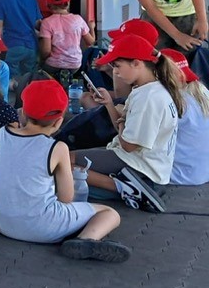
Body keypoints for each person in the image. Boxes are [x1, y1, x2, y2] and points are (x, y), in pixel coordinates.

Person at [0, 80, 131, 263]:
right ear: (59, 121)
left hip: (3, 224)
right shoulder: (57, 148)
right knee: (109, 213)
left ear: (23, 112)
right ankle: (85, 239)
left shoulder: (2, 133)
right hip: (43, 228)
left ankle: (74, 232)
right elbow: (66, 197)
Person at [75, 34, 184, 212]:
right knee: (70, 166)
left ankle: (126, 187)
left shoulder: (148, 97)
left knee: (65, 162)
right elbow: (124, 132)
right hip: (145, 164)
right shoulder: (148, 88)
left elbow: (128, 145)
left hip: (140, 166)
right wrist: (109, 104)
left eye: (117, 66)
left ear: (136, 63)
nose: (115, 72)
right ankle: (125, 186)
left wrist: (122, 122)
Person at [166, 49, 209, 186]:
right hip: (203, 174)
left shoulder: (172, 100)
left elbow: (136, 144)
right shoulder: (202, 91)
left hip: (177, 177)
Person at [38, 0, 94, 85]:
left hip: (53, 65)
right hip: (75, 65)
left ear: (48, 4)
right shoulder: (78, 20)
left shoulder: (47, 23)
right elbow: (91, 42)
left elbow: (46, 51)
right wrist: (92, 27)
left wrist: (41, 61)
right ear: (68, 2)